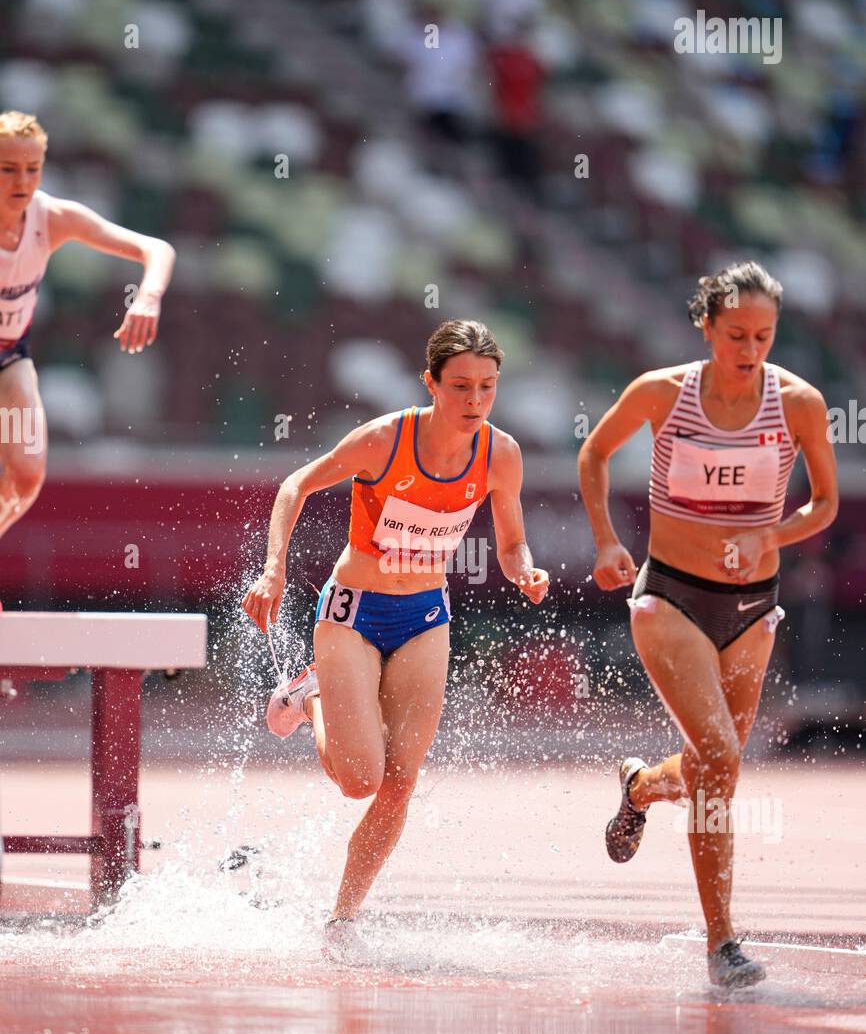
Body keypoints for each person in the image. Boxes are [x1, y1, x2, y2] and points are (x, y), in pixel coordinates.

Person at [242, 319, 549, 964]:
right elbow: (295, 484)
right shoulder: (385, 440)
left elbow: (512, 536)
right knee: (359, 779)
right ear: (431, 382)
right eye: (460, 385)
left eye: (487, 388)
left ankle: (343, 918)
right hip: (353, 612)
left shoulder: (501, 455)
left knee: (399, 785)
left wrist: (522, 568)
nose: (474, 401)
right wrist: (274, 568)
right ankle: (314, 693)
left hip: (426, 617)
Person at [578, 261, 838, 988]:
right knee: (721, 751)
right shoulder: (664, 392)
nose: (750, 349)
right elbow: (595, 452)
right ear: (706, 325)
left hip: (754, 607)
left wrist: (772, 537)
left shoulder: (800, 404)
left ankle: (637, 788)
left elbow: (824, 505)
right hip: (671, 596)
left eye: (763, 335)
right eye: (735, 335)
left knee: (710, 768)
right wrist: (605, 539)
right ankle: (722, 943)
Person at [0, 110, 175, 552]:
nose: (22, 181)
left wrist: (148, 297)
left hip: (9, 357)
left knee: (26, 476)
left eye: (32, 169)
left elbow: (155, 248)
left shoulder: (52, 218)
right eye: (8, 170)